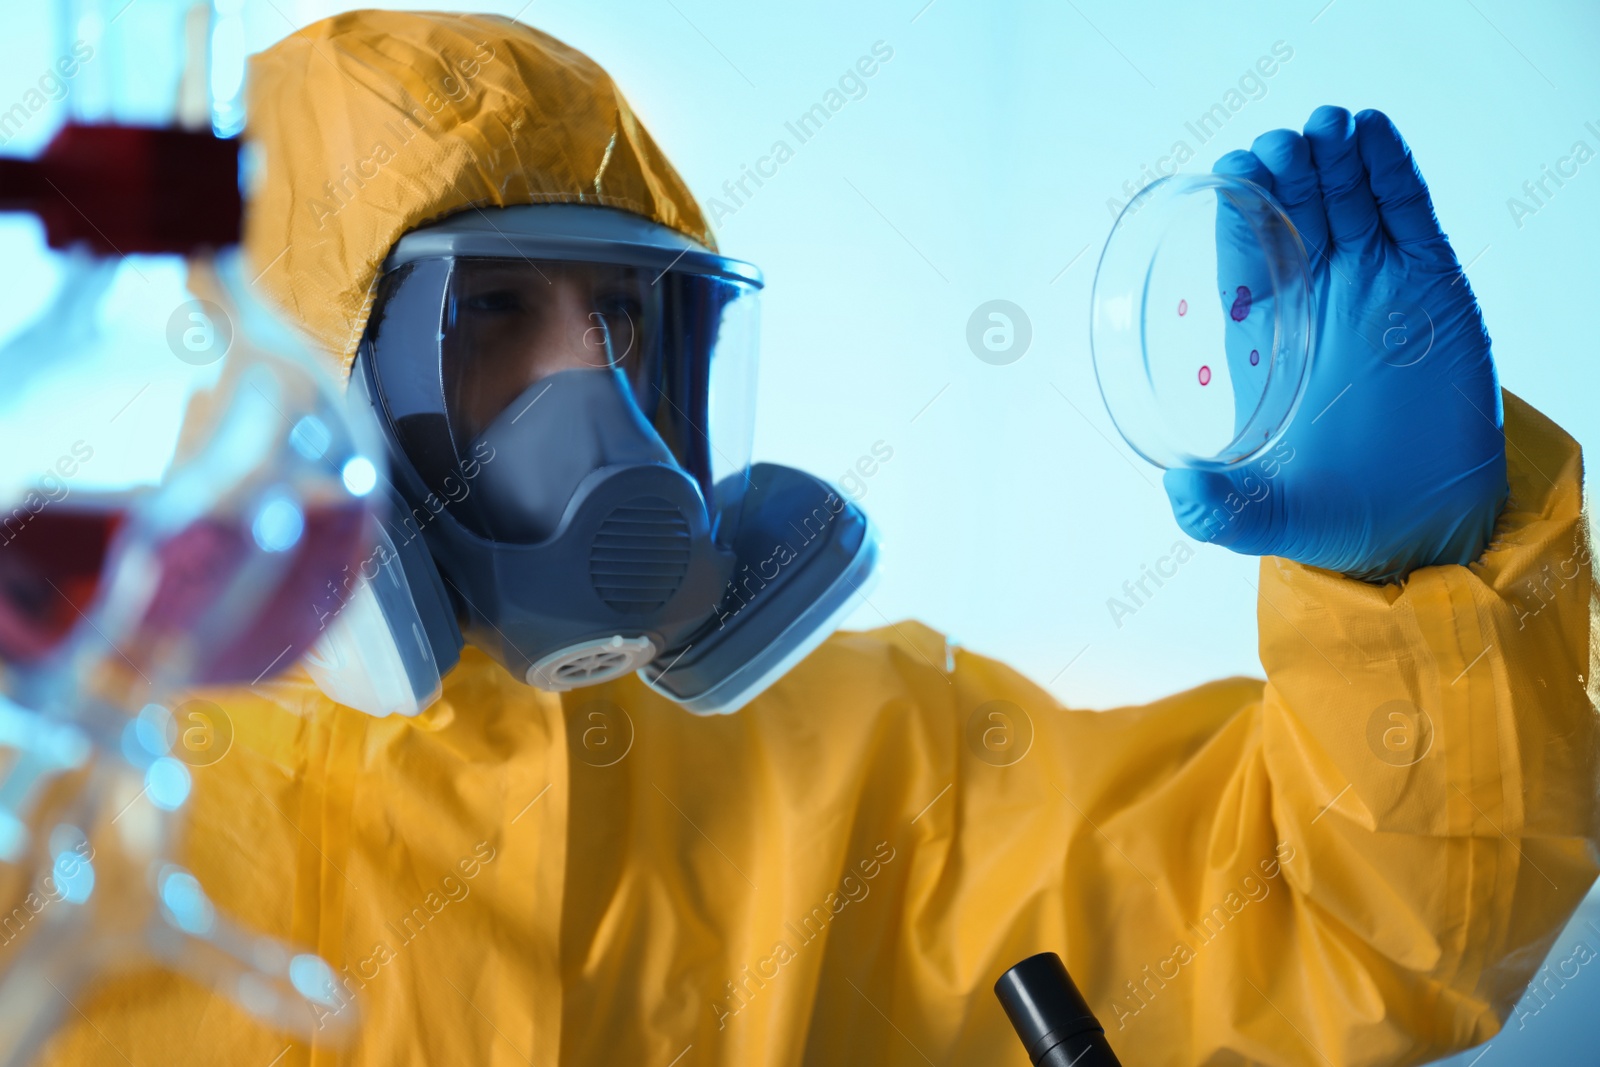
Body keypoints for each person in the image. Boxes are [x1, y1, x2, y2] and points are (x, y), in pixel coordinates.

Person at [43, 11, 1596, 1066]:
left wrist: (1412, 582)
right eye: (501, 314)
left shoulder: (866, 770)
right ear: (311, 379)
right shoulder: (78, 792)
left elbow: (1336, 931)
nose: (597, 389)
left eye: (631, 318)